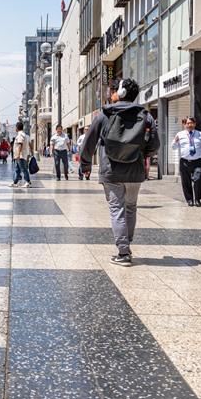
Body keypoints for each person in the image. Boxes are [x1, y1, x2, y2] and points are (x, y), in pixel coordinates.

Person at [80, 78, 159, 267]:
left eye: (113, 90)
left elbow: (89, 142)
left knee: (117, 209)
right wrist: (142, 155)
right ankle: (126, 244)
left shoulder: (105, 115)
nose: (110, 93)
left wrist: (85, 164)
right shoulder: (145, 116)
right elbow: (154, 144)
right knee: (131, 207)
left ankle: (123, 252)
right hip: (135, 170)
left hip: (111, 170)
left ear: (121, 93)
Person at [172, 117, 201, 206]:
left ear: (195, 124)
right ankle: (189, 199)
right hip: (184, 161)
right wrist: (175, 141)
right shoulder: (180, 134)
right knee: (186, 182)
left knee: (198, 180)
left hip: (197, 161)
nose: (190, 125)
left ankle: (197, 199)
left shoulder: (200, 134)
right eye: (188, 123)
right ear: (184, 125)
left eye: (192, 123)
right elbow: (173, 147)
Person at [12, 122, 32, 187]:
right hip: (22, 155)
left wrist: (18, 154)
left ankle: (28, 181)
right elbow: (30, 145)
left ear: (17, 128)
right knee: (17, 169)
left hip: (20, 155)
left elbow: (20, 144)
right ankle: (15, 182)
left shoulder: (20, 135)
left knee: (23, 169)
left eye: (15, 127)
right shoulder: (25, 135)